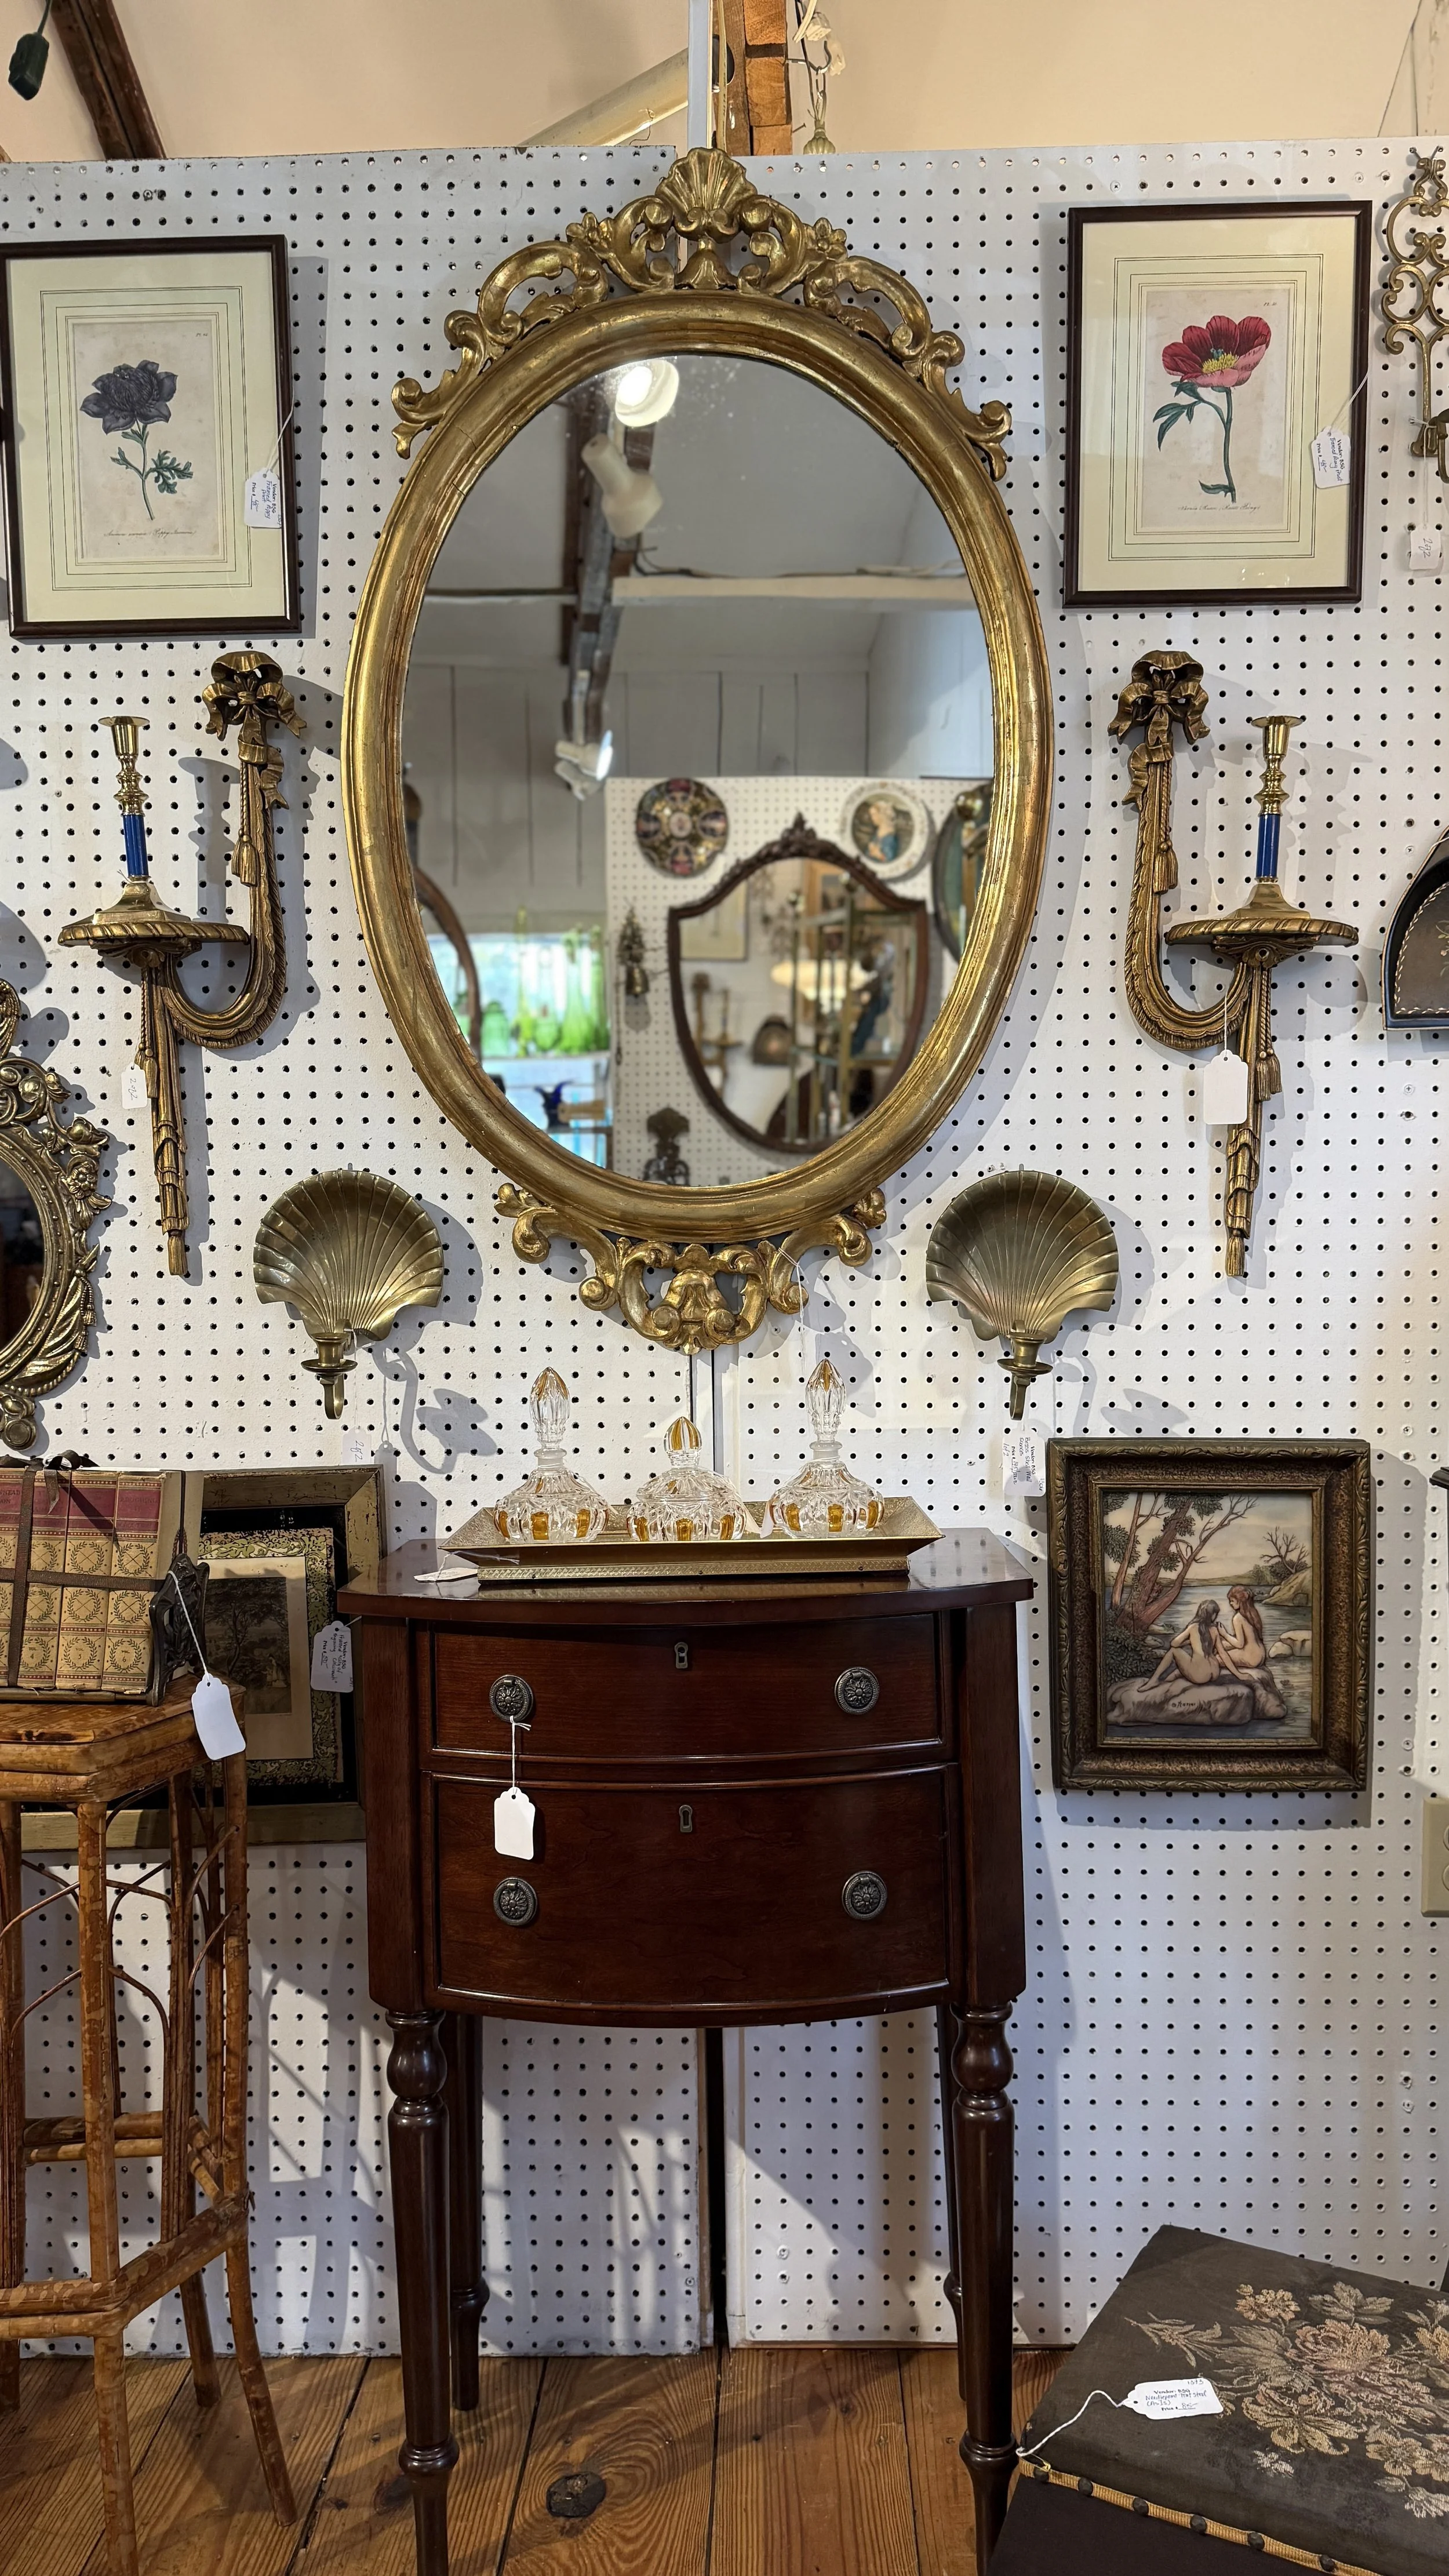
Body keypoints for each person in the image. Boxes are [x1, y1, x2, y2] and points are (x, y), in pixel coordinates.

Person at [1148, 1598, 1222, 1687]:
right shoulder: (1215, 1630)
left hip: (1201, 1677)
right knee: (1182, 1668)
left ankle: (1153, 1681)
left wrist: (1189, 1641)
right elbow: (1223, 1653)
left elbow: (1174, 1644)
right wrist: (1238, 1674)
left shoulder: (1193, 1627)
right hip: (1215, 1673)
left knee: (1173, 1651)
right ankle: (1172, 1678)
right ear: (1212, 1615)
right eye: (1216, 1614)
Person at [1215, 1585, 1268, 1679]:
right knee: (1223, 1645)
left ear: (1240, 1602)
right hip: (1261, 1654)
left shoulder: (1238, 1618)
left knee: (1218, 1659)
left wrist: (1224, 1634)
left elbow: (1240, 1644)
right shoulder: (1253, 1613)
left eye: (1232, 1601)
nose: (1230, 1604)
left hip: (1251, 1657)